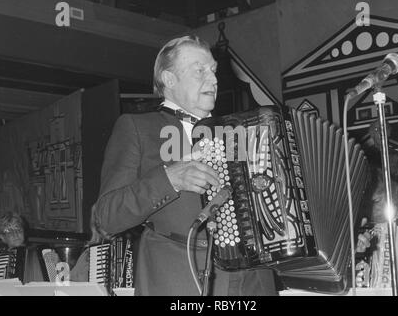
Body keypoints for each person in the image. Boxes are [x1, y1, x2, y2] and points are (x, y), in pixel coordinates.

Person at [93, 35, 277, 296]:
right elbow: (106, 217)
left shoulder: (242, 130)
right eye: (199, 70)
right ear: (169, 79)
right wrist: (169, 179)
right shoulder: (137, 127)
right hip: (179, 279)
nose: (213, 80)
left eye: (213, 71)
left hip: (254, 281)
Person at [0, 212, 45, 283]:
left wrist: (54, 263)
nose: (15, 234)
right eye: (9, 231)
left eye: (18, 229)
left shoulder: (42, 252)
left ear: (24, 232)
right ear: (2, 237)